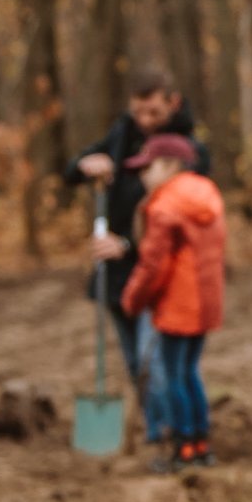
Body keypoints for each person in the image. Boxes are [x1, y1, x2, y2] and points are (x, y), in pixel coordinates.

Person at [64, 67, 212, 448]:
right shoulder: (123, 134)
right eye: (138, 113)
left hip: (157, 278)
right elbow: (73, 169)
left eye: (153, 113)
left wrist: (126, 244)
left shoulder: (185, 153)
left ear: (172, 104)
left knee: (158, 366)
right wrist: (87, 164)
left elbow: (174, 227)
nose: (145, 122)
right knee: (136, 364)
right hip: (116, 275)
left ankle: (173, 434)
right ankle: (155, 430)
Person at [118, 134, 225, 472]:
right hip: (205, 301)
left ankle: (183, 446)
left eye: (147, 167)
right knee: (190, 372)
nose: (142, 175)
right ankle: (200, 444)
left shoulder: (165, 206)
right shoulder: (206, 194)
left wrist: (132, 299)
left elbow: (153, 265)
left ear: (170, 165)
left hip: (178, 305)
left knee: (175, 375)